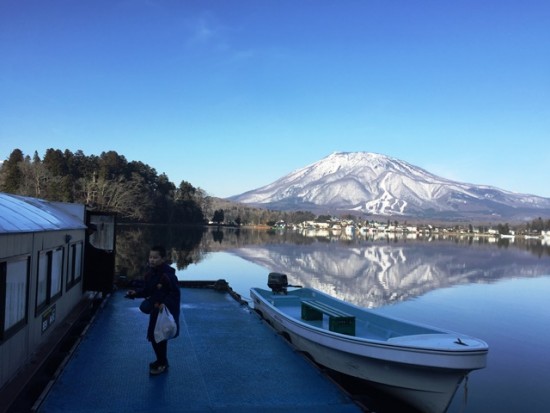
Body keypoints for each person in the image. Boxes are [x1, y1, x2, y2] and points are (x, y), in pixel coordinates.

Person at [126, 245, 181, 375]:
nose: (152, 260)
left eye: (155, 257)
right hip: (155, 310)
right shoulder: (151, 274)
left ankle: (162, 363)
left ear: (163, 258)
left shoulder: (168, 275)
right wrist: (135, 293)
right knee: (154, 335)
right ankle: (161, 361)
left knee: (159, 336)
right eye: (150, 257)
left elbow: (175, 293)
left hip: (164, 310)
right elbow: (148, 290)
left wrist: (164, 304)